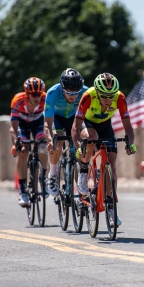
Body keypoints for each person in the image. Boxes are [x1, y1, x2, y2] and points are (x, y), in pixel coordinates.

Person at [72, 73, 137, 226]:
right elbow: (75, 126)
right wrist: (77, 146)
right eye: (104, 96)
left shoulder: (120, 98)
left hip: (106, 126)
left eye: (111, 96)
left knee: (112, 166)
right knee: (92, 137)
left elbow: (128, 126)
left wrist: (131, 143)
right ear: (98, 93)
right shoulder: (88, 96)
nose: (108, 100)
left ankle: (111, 207)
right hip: (87, 124)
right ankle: (83, 171)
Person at [43, 68, 89, 197]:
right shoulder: (52, 93)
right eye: (69, 92)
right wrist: (50, 140)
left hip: (75, 118)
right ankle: (53, 173)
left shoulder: (86, 92)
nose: (73, 96)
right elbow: (47, 123)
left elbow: (90, 119)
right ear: (62, 88)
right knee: (59, 141)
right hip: (57, 119)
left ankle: (82, 184)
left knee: (82, 144)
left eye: (76, 93)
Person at [9, 77, 49, 207]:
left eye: (40, 93)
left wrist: (49, 137)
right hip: (22, 125)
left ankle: (43, 179)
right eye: (34, 94)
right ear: (27, 94)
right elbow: (13, 128)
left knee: (43, 148)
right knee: (23, 150)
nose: (37, 97)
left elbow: (49, 120)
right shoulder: (18, 101)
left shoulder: (45, 99)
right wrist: (16, 143)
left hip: (38, 123)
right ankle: (22, 189)